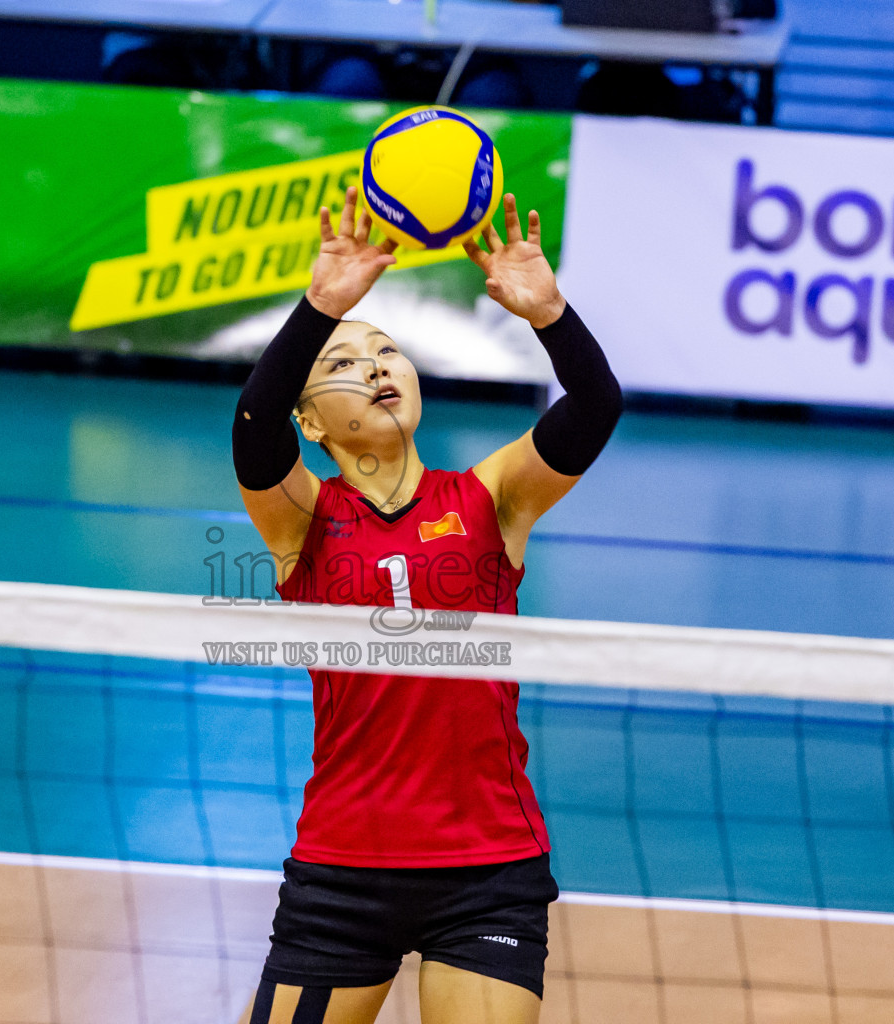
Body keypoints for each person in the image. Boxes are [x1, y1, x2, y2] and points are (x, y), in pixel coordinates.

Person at [231, 187, 622, 1024]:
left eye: (387, 352)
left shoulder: (492, 498)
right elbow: (252, 432)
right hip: (342, 869)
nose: (376, 367)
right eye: (343, 364)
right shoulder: (305, 519)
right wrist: (321, 308)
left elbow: (594, 409)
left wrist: (549, 314)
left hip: (487, 871)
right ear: (311, 425)